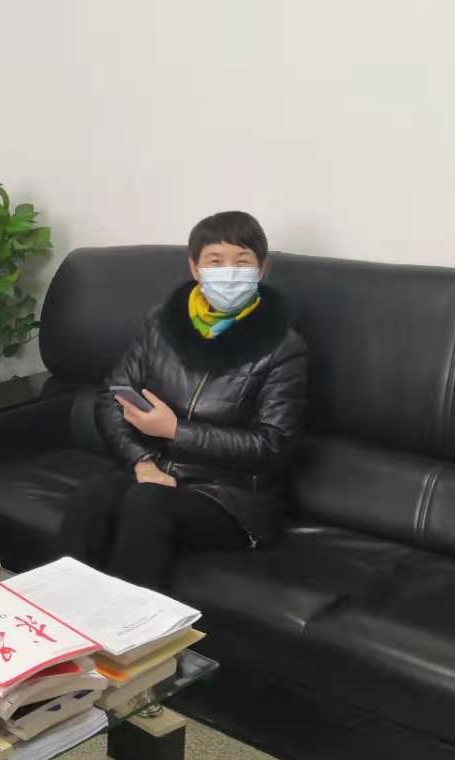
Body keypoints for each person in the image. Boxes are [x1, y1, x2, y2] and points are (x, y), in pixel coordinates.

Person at [57, 211, 308, 591]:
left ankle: (135, 626)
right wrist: (142, 461)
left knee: (146, 506)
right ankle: (59, 612)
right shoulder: (162, 324)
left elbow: (272, 446)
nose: (229, 272)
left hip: (233, 496)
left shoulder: (283, 347)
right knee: (92, 497)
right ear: (194, 267)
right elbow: (112, 397)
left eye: (242, 262)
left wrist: (176, 431)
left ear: (262, 269)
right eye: (215, 261)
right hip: (157, 472)